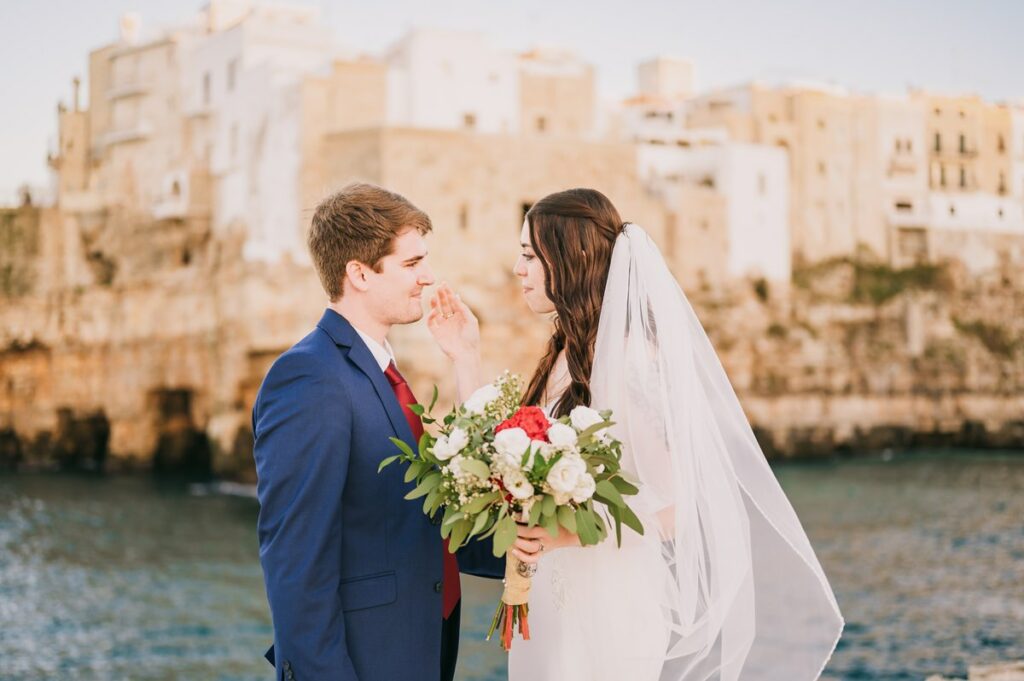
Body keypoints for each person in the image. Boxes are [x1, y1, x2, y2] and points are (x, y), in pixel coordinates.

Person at [427, 188, 843, 680]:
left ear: (571, 258)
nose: (518, 269)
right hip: (552, 601)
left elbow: (677, 507)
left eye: (529, 256)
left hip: (606, 605)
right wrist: (465, 356)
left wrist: (568, 535)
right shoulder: (566, 352)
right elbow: (502, 461)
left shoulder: (628, 362)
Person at [253, 182, 503, 681]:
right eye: (411, 265)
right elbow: (296, 564)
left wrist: (466, 359)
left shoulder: (383, 371)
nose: (428, 278)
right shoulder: (309, 376)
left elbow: (430, 519)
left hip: (421, 647)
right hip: (366, 660)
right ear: (360, 274)